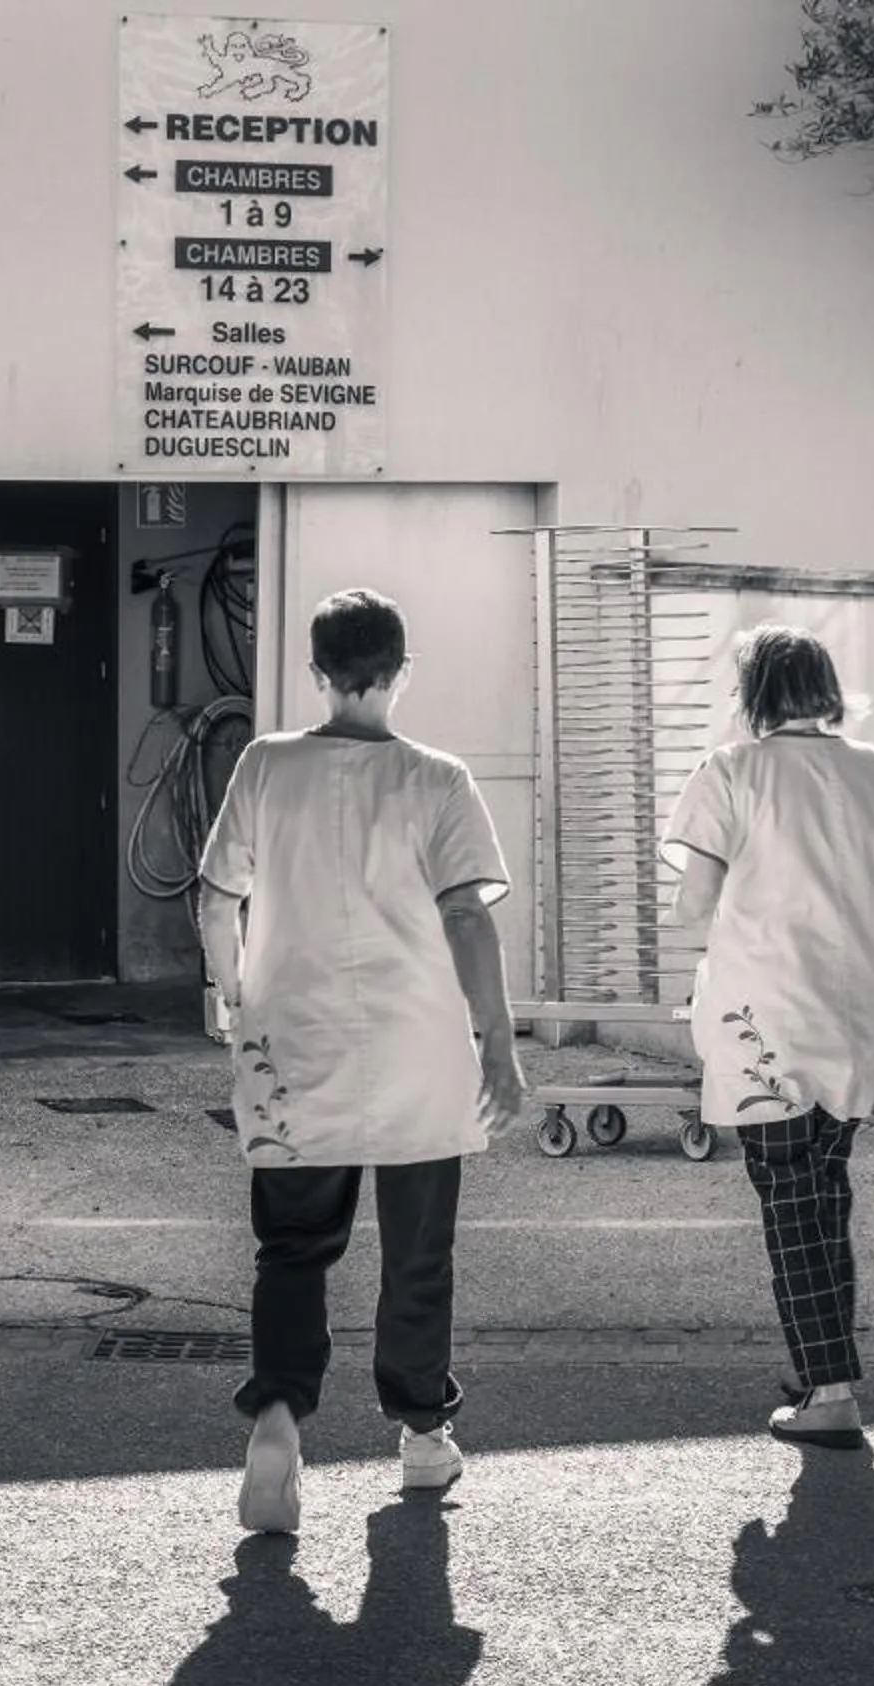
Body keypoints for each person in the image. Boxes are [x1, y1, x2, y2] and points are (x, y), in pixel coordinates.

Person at [196, 588, 525, 1535]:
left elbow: (220, 898)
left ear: (317, 673)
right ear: (399, 671)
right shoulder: (439, 780)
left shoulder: (265, 766)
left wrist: (232, 994)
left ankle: (278, 1417)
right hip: (418, 1042)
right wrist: (497, 1045)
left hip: (293, 1038)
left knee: (291, 1249)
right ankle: (423, 1434)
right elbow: (468, 914)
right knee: (418, 1252)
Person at [661, 624, 874, 1448]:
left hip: (764, 1013)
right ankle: (823, 1368)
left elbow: (691, 908)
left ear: (754, 696)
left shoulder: (730, 772)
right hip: (855, 1012)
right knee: (824, 1191)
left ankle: (831, 1387)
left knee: (787, 1199)